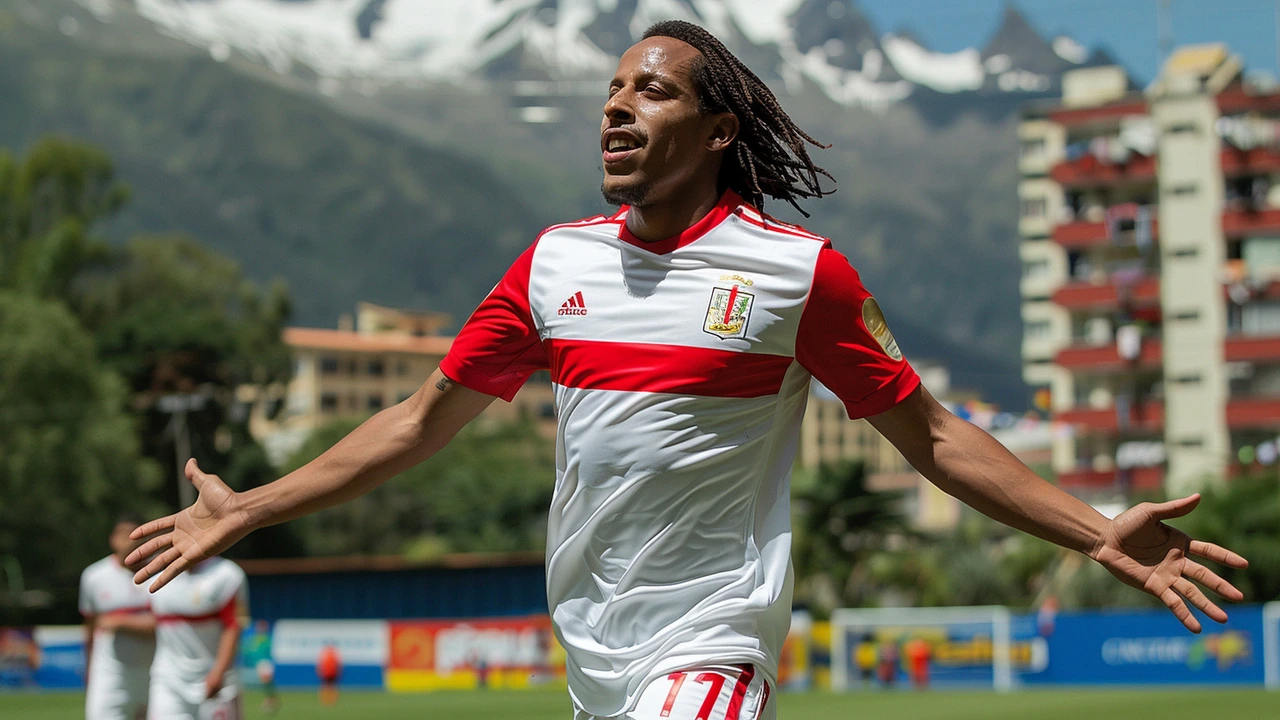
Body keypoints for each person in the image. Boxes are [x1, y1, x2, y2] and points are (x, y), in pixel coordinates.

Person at [128, 19, 1249, 720]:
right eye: (610, 92)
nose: (616, 105)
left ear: (717, 132)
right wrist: (254, 508)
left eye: (652, 90)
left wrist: (1091, 527)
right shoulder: (550, 265)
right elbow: (420, 421)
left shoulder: (792, 276)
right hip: (592, 651)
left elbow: (934, 438)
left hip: (710, 636)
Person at [147, 556, 246, 720]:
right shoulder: (156, 574)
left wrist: (219, 672)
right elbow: (150, 620)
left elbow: (233, 626)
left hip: (214, 680)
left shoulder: (227, 575)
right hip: (168, 679)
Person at [80, 513, 155, 720]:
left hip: (155, 672)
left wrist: (122, 623)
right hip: (110, 674)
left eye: (134, 533)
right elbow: (90, 627)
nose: (128, 539)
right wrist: (88, 668)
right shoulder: (94, 576)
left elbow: (166, 625)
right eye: (122, 533)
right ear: (112, 539)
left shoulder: (161, 573)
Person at [243, 619, 279, 715]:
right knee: (266, 683)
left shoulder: (266, 639)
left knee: (267, 682)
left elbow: (268, 651)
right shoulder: (254, 639)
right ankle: (271, 700)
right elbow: (249, 650)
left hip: (265, 663)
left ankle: (271, 700)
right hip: (259, 664)